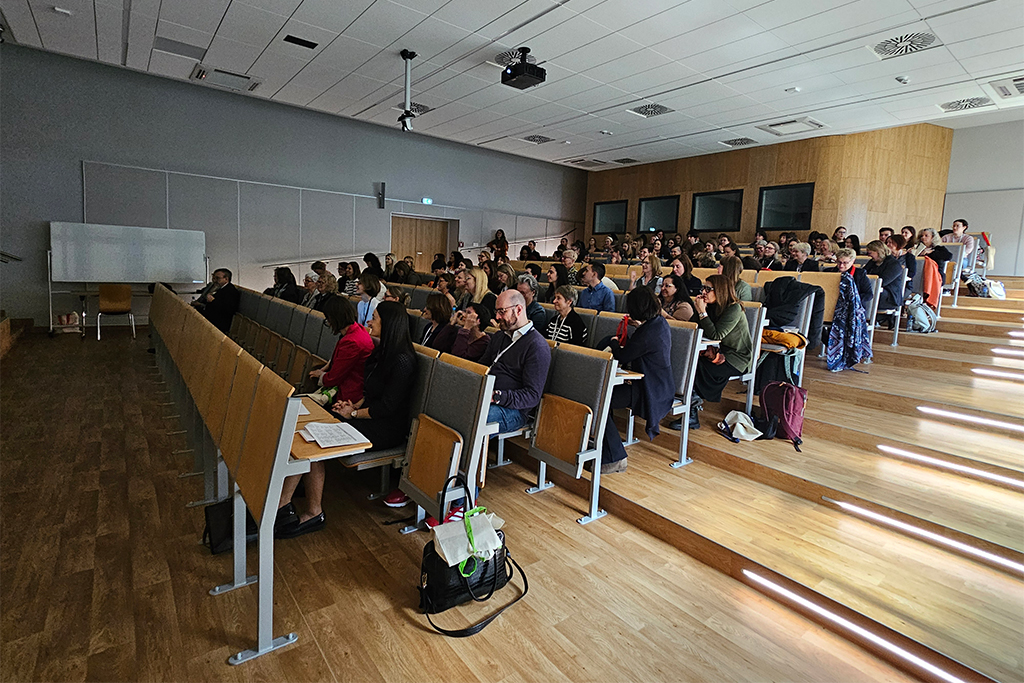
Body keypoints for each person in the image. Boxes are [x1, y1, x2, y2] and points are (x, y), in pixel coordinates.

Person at [276, 297, 376, 538]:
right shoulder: (355, 332)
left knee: (304, 437)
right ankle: (284, 500)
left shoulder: (354, 340)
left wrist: (321, 376)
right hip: (345, 396)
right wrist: (324, 371)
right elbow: (334, 366)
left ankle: (290, 505)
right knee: (298, 430)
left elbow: (333, 379)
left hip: (346, 399)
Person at [600, 287, 673, 474]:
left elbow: (624, 356)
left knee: (601, 400)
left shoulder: (649, 332)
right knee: (602, 397)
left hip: (651, 389)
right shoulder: (658, 323)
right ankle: (609, 447)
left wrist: (614, 342)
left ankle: (615, 456)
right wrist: (639, 326)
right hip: (651, 382)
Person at [478, 290, 552, 433]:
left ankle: (465, 455)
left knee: (472, 417)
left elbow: (532, 395)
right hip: (486, 396)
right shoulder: (500, 336)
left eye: (502, 311)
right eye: (496, 311)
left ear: (518, 310)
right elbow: (482, 366)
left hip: (514, 410)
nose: (497, 317)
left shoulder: (536, 346)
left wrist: (498, 397)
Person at [691, 275, 752, 425]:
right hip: (718, 351)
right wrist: (699, 310)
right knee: (688, 362)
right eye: (703, 288)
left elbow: (717, 334)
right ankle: (691, 407)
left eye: (708, 289)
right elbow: (693, 327)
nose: (704, 292)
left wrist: (702, 313)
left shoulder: (734, 308)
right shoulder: (712, 306)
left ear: (721, 290)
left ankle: (692, 411)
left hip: (737, 358)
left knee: (695, 367)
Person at [309, 296, 374, 408]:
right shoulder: (358, 329)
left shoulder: (351, 342)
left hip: (349, 395)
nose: (328, 324)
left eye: (328, 320)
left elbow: (333, 378)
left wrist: (321, 375)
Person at [864, 240, 904, 326]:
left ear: (878, 251)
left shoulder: (894, 264)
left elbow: (883, 281)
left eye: (870, 252)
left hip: (889, 295)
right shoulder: (872, 262)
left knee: (865, 295)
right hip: (874, 290)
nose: (868, 255)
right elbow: (863, 275)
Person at [191, 268, 239, 333]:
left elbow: (228, 309)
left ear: (226, 279)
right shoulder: (218, 288)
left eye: (218, 278)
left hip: (219, 322)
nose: (215, 280)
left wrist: (213, 301)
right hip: (211, 317)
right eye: (214, 278)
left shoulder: (231, 291)